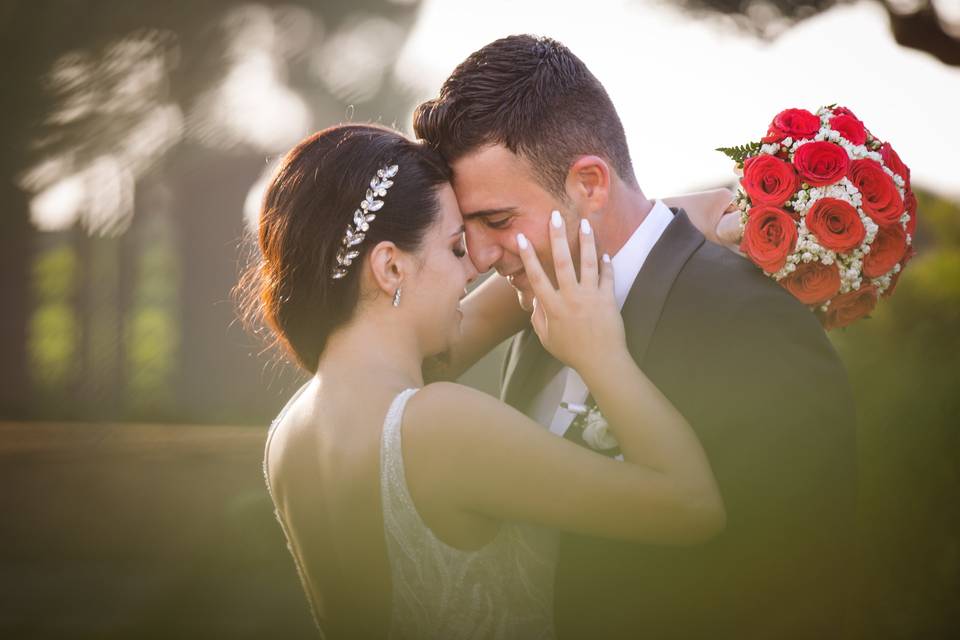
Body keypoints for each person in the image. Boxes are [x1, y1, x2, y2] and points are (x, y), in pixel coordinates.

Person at [413, 35, 858, 639]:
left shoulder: (750, 319)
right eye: (470, 229)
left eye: (497, 221)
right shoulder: (539, 307)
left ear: (590, 184)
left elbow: (802, 579)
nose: (483, 256)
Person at [247, 123, 727, 640]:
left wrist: (653, 219)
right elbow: (691, 506)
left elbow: (490, 312)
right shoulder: (439, 425)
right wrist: (602, 357)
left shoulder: (290, 430)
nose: (476, 265)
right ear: (389, 267)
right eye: (456, 248)